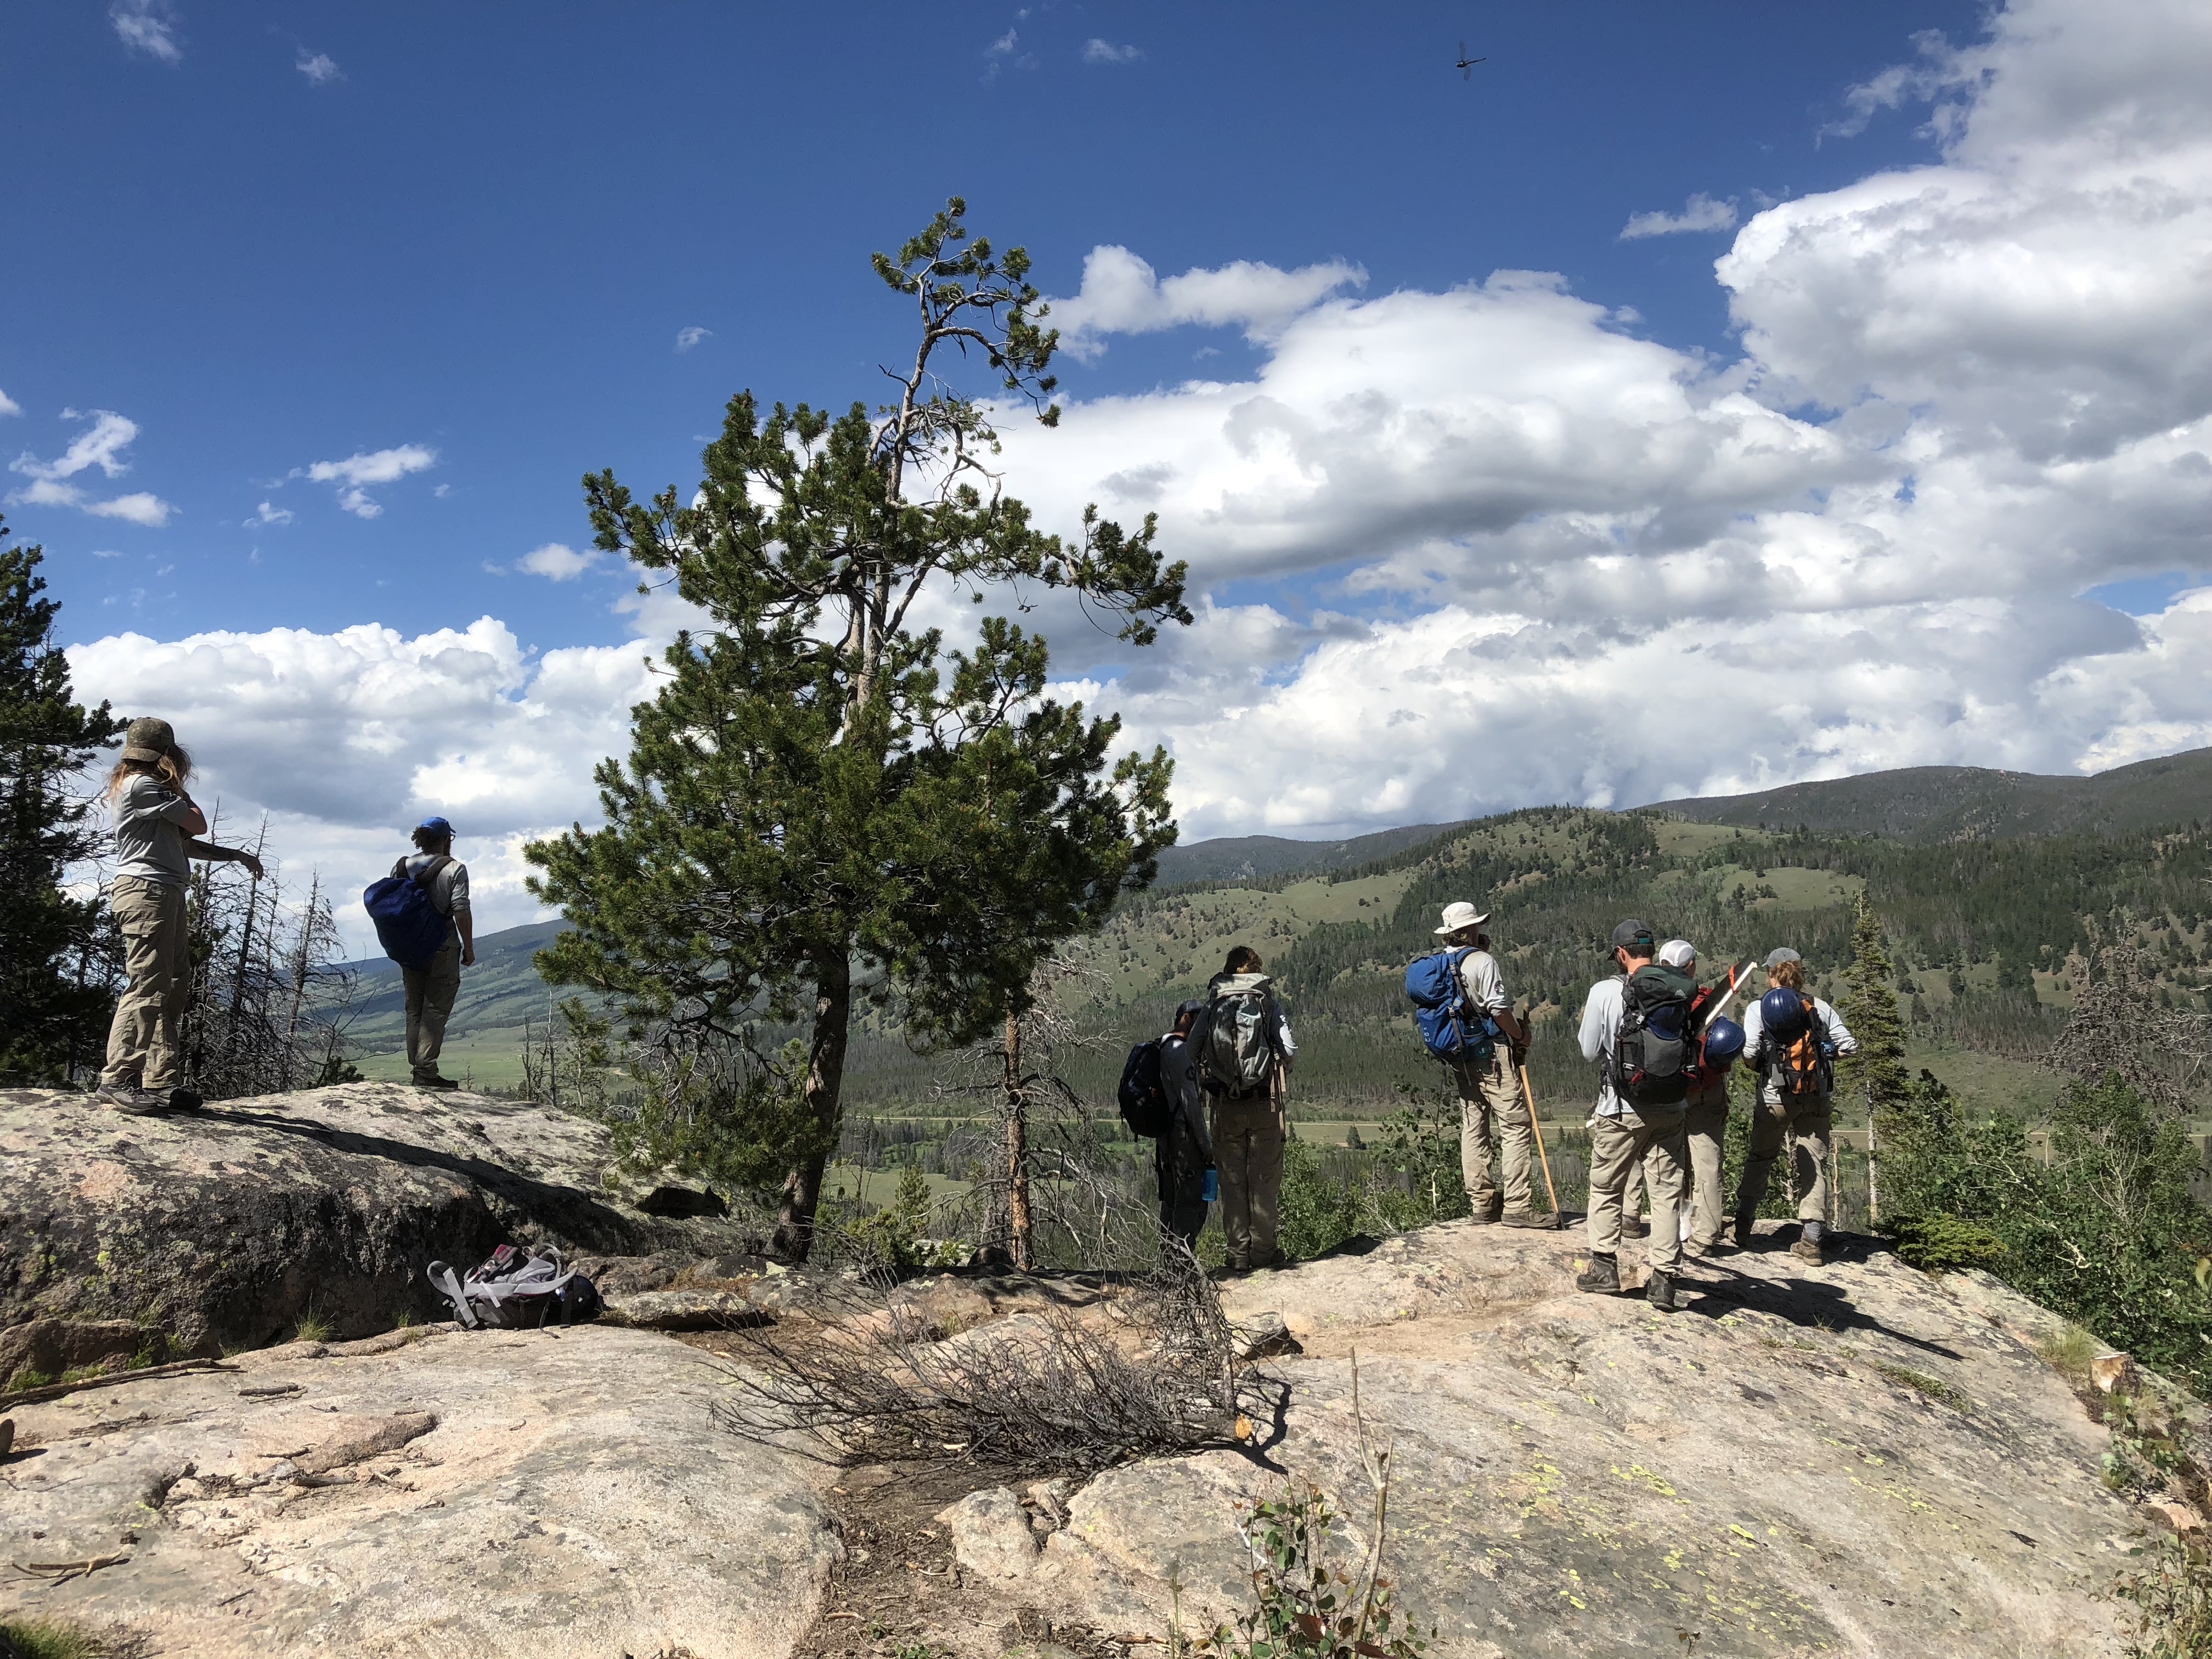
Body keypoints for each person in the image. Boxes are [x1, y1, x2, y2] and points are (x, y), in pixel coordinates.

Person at [98, 717, 264, 1114]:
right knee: (147, 984)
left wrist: (235, 855)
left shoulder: (146, 790)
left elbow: (184, 842)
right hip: (146, 891)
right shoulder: (143, 786)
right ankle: (118, 1077)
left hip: (162, 891)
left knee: (172, 983)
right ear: (167, 754)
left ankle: (160, 1081)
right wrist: (178, 786)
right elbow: (197, 821)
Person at [1573, 918, 1693, 1312]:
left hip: (1620, 1107)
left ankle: (1606, 1268)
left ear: (1621, 954)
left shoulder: (1605, 991)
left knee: (1607, 1186)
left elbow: (1589, 1051)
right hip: (1671, 1106)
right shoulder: (1677, 990)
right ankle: (1663, 1281)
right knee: (1666, 1193)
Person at [1734, 947, 1858, 1265]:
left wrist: (1761, 1062)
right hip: (1816, 1095)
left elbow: (1748, 1052)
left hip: (1775, 1096)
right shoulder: (1819, 1006)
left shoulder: (1759, 1008)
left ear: (1772, 974)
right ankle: (1812, 1240)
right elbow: (1849, 1046)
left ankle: (1743, 1227)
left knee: (1761, 1156)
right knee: (1815, 1163)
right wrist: (1821, 1058)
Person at [1430, 901, 1546, 1227]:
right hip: (1492, 1053)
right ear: (1470, 930)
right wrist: (1520, 1036)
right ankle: (1518, 1206)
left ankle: (1482, 1203)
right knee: (1515, 1124)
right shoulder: (1483, 961)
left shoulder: (1440, 963)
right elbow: (1497, 1008)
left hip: (1460, 1053)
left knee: (1474, 1124)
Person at [1199, 945, 1297, 1272]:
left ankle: (1238, 1256)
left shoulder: (1215, 1002)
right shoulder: (1267, 1002)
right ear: (1256, 970)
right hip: (1264, 1104)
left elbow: (1189, 1051)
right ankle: (1265, 1254)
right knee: (1264, 1180)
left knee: (1233, 1182)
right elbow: (1290, 1051)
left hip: (1225, 1105)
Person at [1658, 939, 1740, 1258]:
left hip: (1667, 1091)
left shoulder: (1651, 999)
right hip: (1705, 1088)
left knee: (1663, 1158)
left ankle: (1656, 1224)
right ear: (1691, 966)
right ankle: (1706, 1233)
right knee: (1707, 1159)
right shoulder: (1705, 999)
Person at [392, 816, 476, 1091]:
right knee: (436, 1009)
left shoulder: (402, 866)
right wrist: (469, 947)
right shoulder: (454, 868)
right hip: (443, 946)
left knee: (414, 1007)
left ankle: (417, 1066)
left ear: (420, 839)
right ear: (446, 839)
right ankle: (426, 1071)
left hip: (409, 948)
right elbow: (461, 909)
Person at [1154, 999, 1217, 1251]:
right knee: (1190, 1205)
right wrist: (1207, 1148)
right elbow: (1192, 1107)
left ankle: (1169, 1266)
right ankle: (1182, 1267)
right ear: (1188, 1018)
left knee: (1171, 1201)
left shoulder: (1162, 1047)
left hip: (1166, 1138)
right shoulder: (1181, 1053)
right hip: (1183, 1139)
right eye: (1200, 1020)